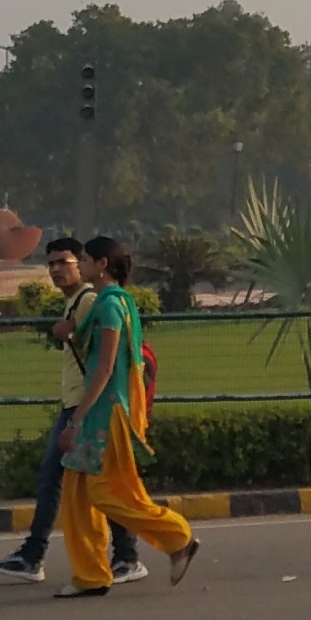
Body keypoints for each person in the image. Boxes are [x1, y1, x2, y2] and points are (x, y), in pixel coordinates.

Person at [45, 238, 199, 598]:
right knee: (78, 493)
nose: (78, 265)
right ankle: (91, 574)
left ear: (101, 264)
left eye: (82, 259)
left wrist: (76, 420)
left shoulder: (111, 305)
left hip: (106, 411)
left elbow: (104, 368)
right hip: (99, 409)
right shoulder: (103, 303)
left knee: (107, 492)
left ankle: (178, 537)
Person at [0, 239, 145, 585]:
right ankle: (122, 555)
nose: (57, 269)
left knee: (60, 476)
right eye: (51, 264)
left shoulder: (91, 299)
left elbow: (99, 352)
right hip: (78, 401)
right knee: (91, 481)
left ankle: (38, 554)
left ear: (88, 265)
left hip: (85, 404)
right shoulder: (78, 301)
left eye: (66, 261)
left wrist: (66, 331)